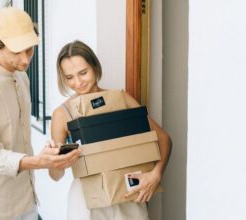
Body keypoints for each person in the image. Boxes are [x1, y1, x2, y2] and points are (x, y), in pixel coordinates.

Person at [0, 7, 81, 220]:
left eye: (30, 50)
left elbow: (19, 137)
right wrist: (38, 162)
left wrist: (46, 153)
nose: (25, 60)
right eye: (17, 52)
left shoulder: (22, 78)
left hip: (27, 197)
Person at [49, 40, 172, 220]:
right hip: (86, 201)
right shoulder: (62, 114)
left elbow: (163, 138)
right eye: (69, 77)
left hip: (127, 194)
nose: (78, 82)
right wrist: (57, 161)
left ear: (95, 67)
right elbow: (55, 175)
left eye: (83, 73)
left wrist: (155, 175)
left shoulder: (121, 99)